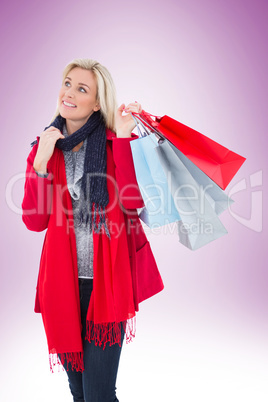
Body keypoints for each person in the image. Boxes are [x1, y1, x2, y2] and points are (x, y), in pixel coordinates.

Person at [21, 58, 164, 402]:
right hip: (63, 286)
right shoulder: (46, 148)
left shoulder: (115, 142)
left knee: (99, 394)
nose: (68, 93)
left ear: (98, 103)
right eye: (67, 83)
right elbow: (34, 220)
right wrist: (40, 163)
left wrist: (127, 135)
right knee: (78, 392)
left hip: (108, 285)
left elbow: (132, 203)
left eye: (81, 88)